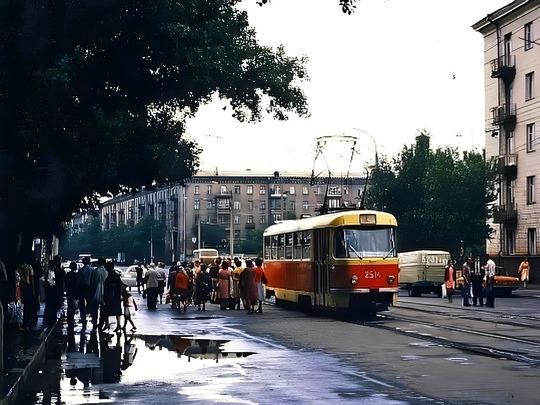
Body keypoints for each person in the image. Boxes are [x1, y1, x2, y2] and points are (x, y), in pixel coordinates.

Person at [103, 262, 123, 332]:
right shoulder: (115, 274)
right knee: (117, 310)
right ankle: (118, 324)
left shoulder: (111, 275)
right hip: (115, 295)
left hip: (111, 295)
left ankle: (108, 324)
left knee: (108, 309)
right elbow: (121, 285)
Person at [77, 256, 93, 329]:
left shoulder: (80, 270)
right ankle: (93, 317)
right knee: (91, 302)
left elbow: (78, 280)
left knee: (82, 305)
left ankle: (83, 319)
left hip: (82, 288)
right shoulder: (92, 270)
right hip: (90, 288)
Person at [64, 262, 79, 330]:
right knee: (73, 307)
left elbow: (65, 284)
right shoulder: (76, 275)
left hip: (69, 292)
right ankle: (71, 320)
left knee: (70, 307)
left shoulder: (67, 275)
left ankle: (70, 321)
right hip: (75, 293)